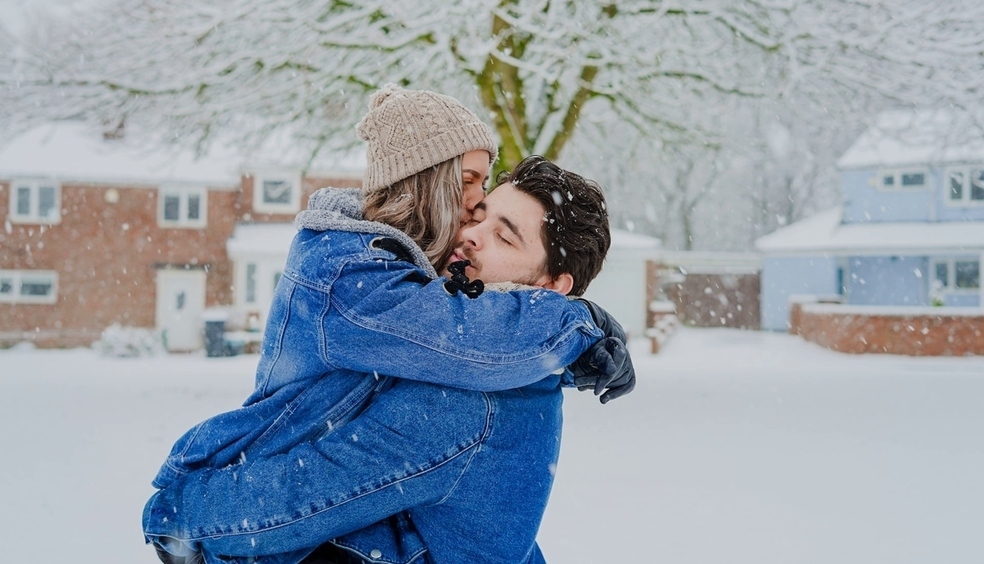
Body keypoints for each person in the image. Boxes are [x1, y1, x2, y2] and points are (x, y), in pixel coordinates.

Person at [144, 86, 634, 563]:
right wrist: (581, 325)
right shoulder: (380, 291)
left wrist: (182, 516)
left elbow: (310, 490)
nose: (469, 231)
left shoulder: (470, 396)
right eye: (475, 209)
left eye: (504, 238)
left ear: (552, 287)